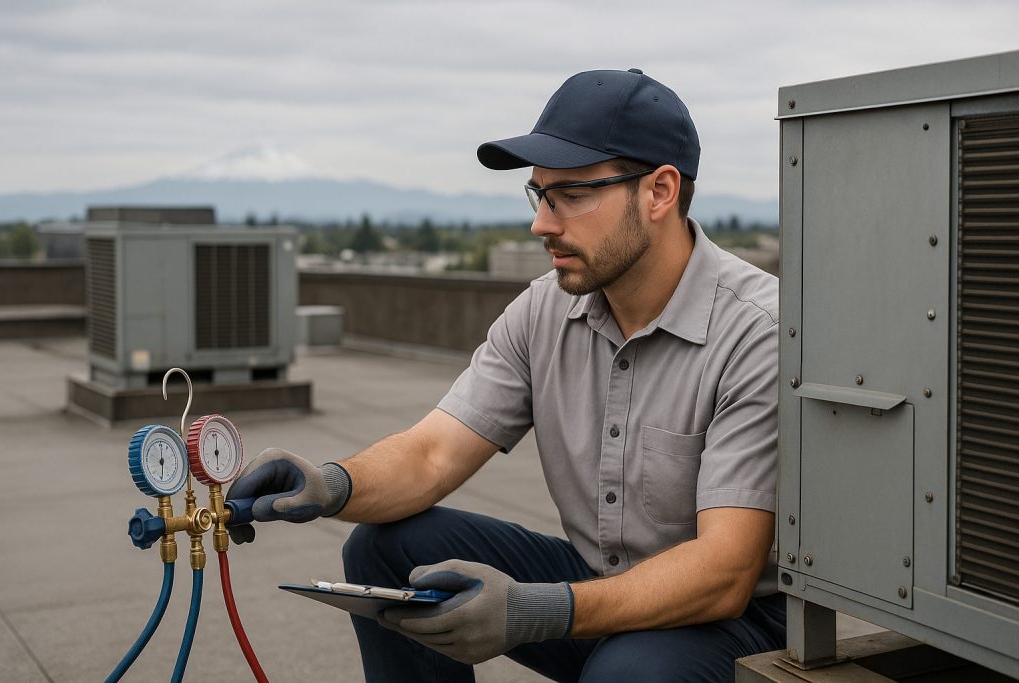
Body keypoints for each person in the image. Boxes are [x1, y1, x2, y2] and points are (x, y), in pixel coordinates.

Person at [226, 68, 784, 682]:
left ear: (659, 192)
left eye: (572, 195)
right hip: (603, 585)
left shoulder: (758, 331)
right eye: (539, 194)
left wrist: (540, 609)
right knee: (381, 550)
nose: (543, 223)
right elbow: (433, 453)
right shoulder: (544, 309)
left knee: (630, 673)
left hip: (736, 620)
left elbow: (726, 571)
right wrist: (332, 484)